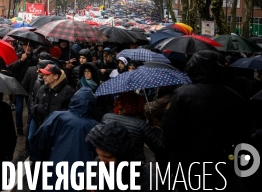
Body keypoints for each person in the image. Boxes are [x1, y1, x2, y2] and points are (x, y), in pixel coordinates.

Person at [162, 50, 250, 189]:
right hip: (221, 160)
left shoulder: (183, 94)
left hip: (188, 161)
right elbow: (243, 133)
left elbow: (169, 131)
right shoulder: (235, 97)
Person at [30, 88, 99, 191]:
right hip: (80, 177)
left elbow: (40, 141)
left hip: (54, 170)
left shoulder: (57, 116)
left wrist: (37, 163)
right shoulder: (96, 126)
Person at [85, 122, 151, 190]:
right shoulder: (96, 165)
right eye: (99, 154)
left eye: (108, 157)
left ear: (122, 154)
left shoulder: (145, 180)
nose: (102, 161)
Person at [102, 92, 165, 162]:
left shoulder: (107, 117)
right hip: (134, 164)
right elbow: (158, 146)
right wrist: (156, 128)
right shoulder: (141, 124)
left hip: (112, 162)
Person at [8, 40, 39, 135]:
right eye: (26, 46)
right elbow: (11, 68)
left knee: (31, 108)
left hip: (30, 87)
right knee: (19, 109)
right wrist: (21, 60)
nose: (28, 48)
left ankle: (29, 125)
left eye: (30, 46)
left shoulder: (34, 58)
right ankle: (19, 128)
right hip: (19, 85)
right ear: (22, 46)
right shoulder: (17, 55)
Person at [33, 63, 75, 128]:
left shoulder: (68, 91)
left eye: (47, 75)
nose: (44, 77)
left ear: (55, 76)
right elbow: (35, 104)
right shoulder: (42, 89)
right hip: (42, 127)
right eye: (44, 75)